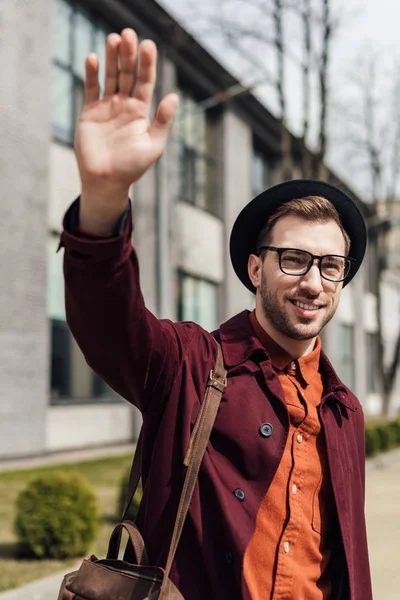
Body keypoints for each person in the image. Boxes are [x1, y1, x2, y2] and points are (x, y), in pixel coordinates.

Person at [59, 28, 372, 600]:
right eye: (295, 259)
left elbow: (352, 564)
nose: (313, 281)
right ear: (255, 269)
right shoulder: (190, 363)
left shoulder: (344, 408)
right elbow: (108, 319)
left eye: (331, 265)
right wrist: (103, 203)